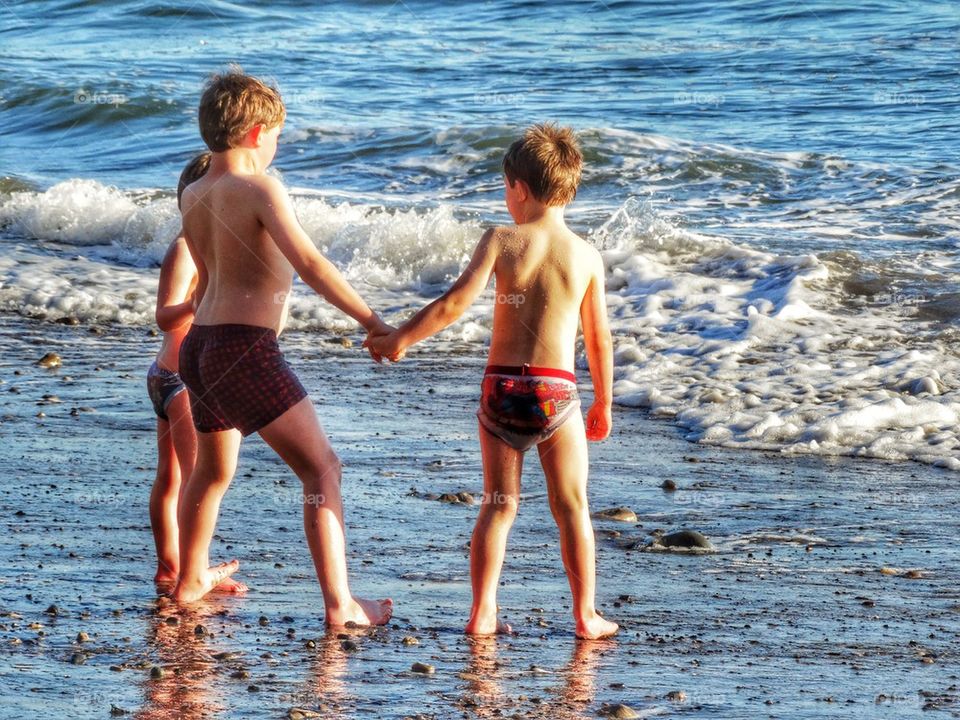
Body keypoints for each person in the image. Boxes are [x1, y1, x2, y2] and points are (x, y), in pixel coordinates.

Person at [367, 124, 618, 639]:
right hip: (558, 395)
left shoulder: (502, 240)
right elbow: (599, 340)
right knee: (571, 507)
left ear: (519, 188)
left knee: (499, 505)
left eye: (505, 188)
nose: (505, 198)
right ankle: (586, 615)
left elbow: (455, 304)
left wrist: (402, 339)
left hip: (502, 391)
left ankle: (482, 613)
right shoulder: (586, 255)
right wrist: (604, 402)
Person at [172, 68, 393, 627]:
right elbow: (311, 263)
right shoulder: (260, 188)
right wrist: (372, 320)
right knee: (322, 471)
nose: (275, 146)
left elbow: (208, 275)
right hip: (246, 349)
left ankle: (190, 576)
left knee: (210, 472)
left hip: (200, 348)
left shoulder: (195, 194)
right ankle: (341, 604)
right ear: (254, 132)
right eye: (275, 135)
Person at [148, 152, 244, 594]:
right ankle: (192, 571)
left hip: (170, 377)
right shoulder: (186, 248)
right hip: (178, 380)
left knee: (175, 476)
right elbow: (165, 317)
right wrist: (199, 298)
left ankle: (171, 567)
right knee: (192, 478)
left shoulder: (208, 245)